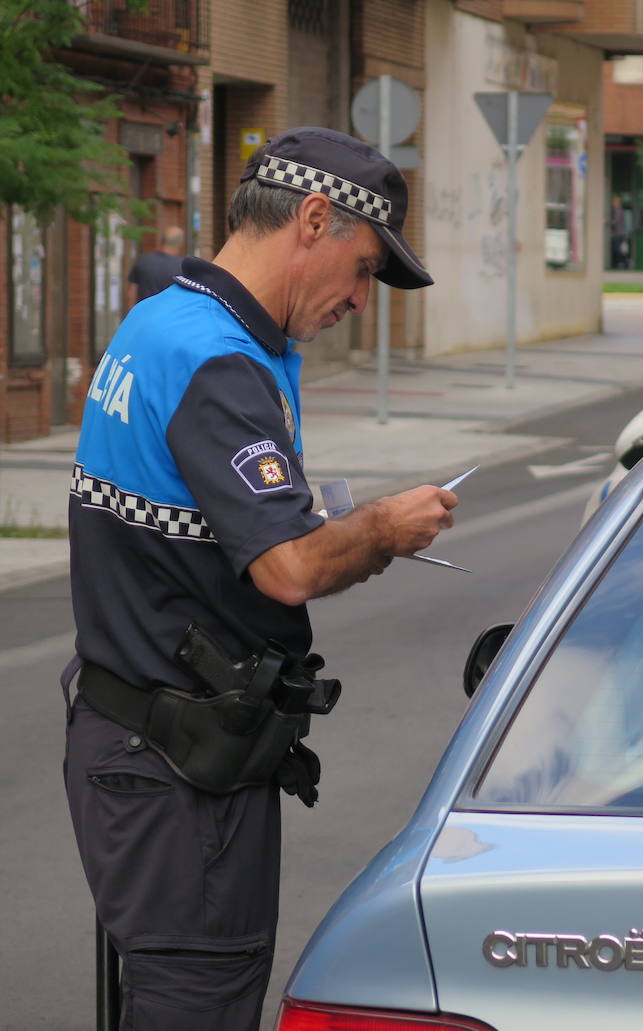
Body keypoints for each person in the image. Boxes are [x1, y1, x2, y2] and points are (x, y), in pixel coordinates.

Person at [62, 126, 453, 1031]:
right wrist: (383, 528)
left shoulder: (165, 315)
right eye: (362, 270)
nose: (362, 299)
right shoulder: (219, 361)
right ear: (315, 218)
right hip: (177, 776)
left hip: (132, 741)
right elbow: (287, 569)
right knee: (198, 999)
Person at [125, 224, 186, 308]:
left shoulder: (143, 260)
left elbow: (131, 294)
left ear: (162, 240)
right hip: (167, 317)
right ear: (181, 243)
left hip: (144, 315)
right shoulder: (182, 266)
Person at [609, 194, 631, 269]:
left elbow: (616, 221)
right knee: (620, 249)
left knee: (619, 249)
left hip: (619, 234)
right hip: (618, 233)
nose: (613, 204)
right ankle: (623, 263)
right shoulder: (617, 210)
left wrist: (606, 222)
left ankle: (623, 263)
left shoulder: (619, 211)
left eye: (614, 202)